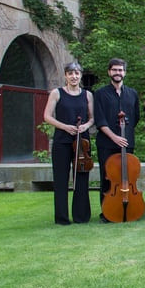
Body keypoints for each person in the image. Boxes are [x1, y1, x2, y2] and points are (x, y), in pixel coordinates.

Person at [42, 61, 94, 224]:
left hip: (82, 141)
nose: (74, 76)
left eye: (77, 73)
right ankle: (62, 217)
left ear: (80, 75)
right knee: (61, 179)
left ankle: (81, 216)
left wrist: (85, 125)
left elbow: (92, 118)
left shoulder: (87, 95)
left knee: (82, 178)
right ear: (65, 75)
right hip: (62, 140)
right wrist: (65, 127)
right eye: (70, 73)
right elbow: (47, 116)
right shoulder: (57, 93)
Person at [94, 58, 140, 221]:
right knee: (108, 179)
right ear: (109, 72)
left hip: (127, 142)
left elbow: (135, 118)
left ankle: (127, 208)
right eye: (114, 70)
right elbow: (100, 120)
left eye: (120, 70)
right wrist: (114, 137)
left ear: (124, 73)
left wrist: (124, 135)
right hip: (107, 143)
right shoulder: (99, 94)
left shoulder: (132, 93)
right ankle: (107, 213)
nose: (117, 73)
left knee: (126, 178)